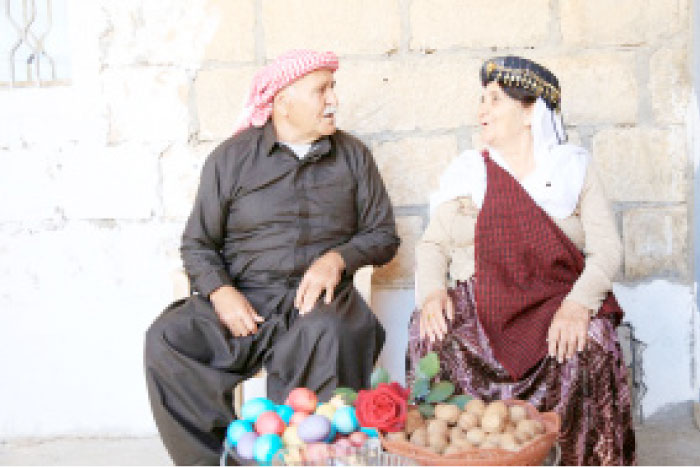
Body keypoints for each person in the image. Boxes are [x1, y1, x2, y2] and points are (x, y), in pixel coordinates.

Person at [144, 49, 399, 465]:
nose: (333, 99)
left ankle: (307, 460)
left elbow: (382, 235)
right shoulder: (230, 160)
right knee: (168, 339)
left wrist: (338, 258)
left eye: (333, 88)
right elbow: (197, 244)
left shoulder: (353, 156)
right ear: (282, 101)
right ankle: (222, 460)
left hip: (320, 304)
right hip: (245, 301)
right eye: (322, 90)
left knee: (331, 334)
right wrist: (221, 291)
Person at [409, 56, 635, 465]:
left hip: (553, 300)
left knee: (594, 342)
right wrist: (431, 293)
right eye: (481, 100)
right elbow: (432, 246)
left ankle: (578, 458)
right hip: (480, 304)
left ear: (531, 112)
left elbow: (607, 250)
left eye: (494, 101)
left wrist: (579, 304)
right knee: (431, 334)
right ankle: (457, 455)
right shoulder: (467, 173)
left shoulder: (573, 170)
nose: (482, 111)